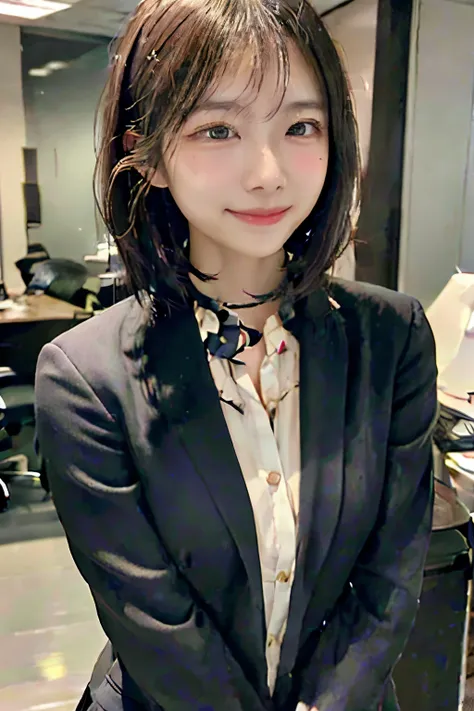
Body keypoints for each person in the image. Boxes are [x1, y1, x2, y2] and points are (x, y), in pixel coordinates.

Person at [35, 1, 438, 710]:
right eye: (217, 128)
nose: (267, 171)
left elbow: (390, 578)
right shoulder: (84, 378)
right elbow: (154, 621)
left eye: (301, 126)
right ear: (151, 154)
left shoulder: (393, 336)